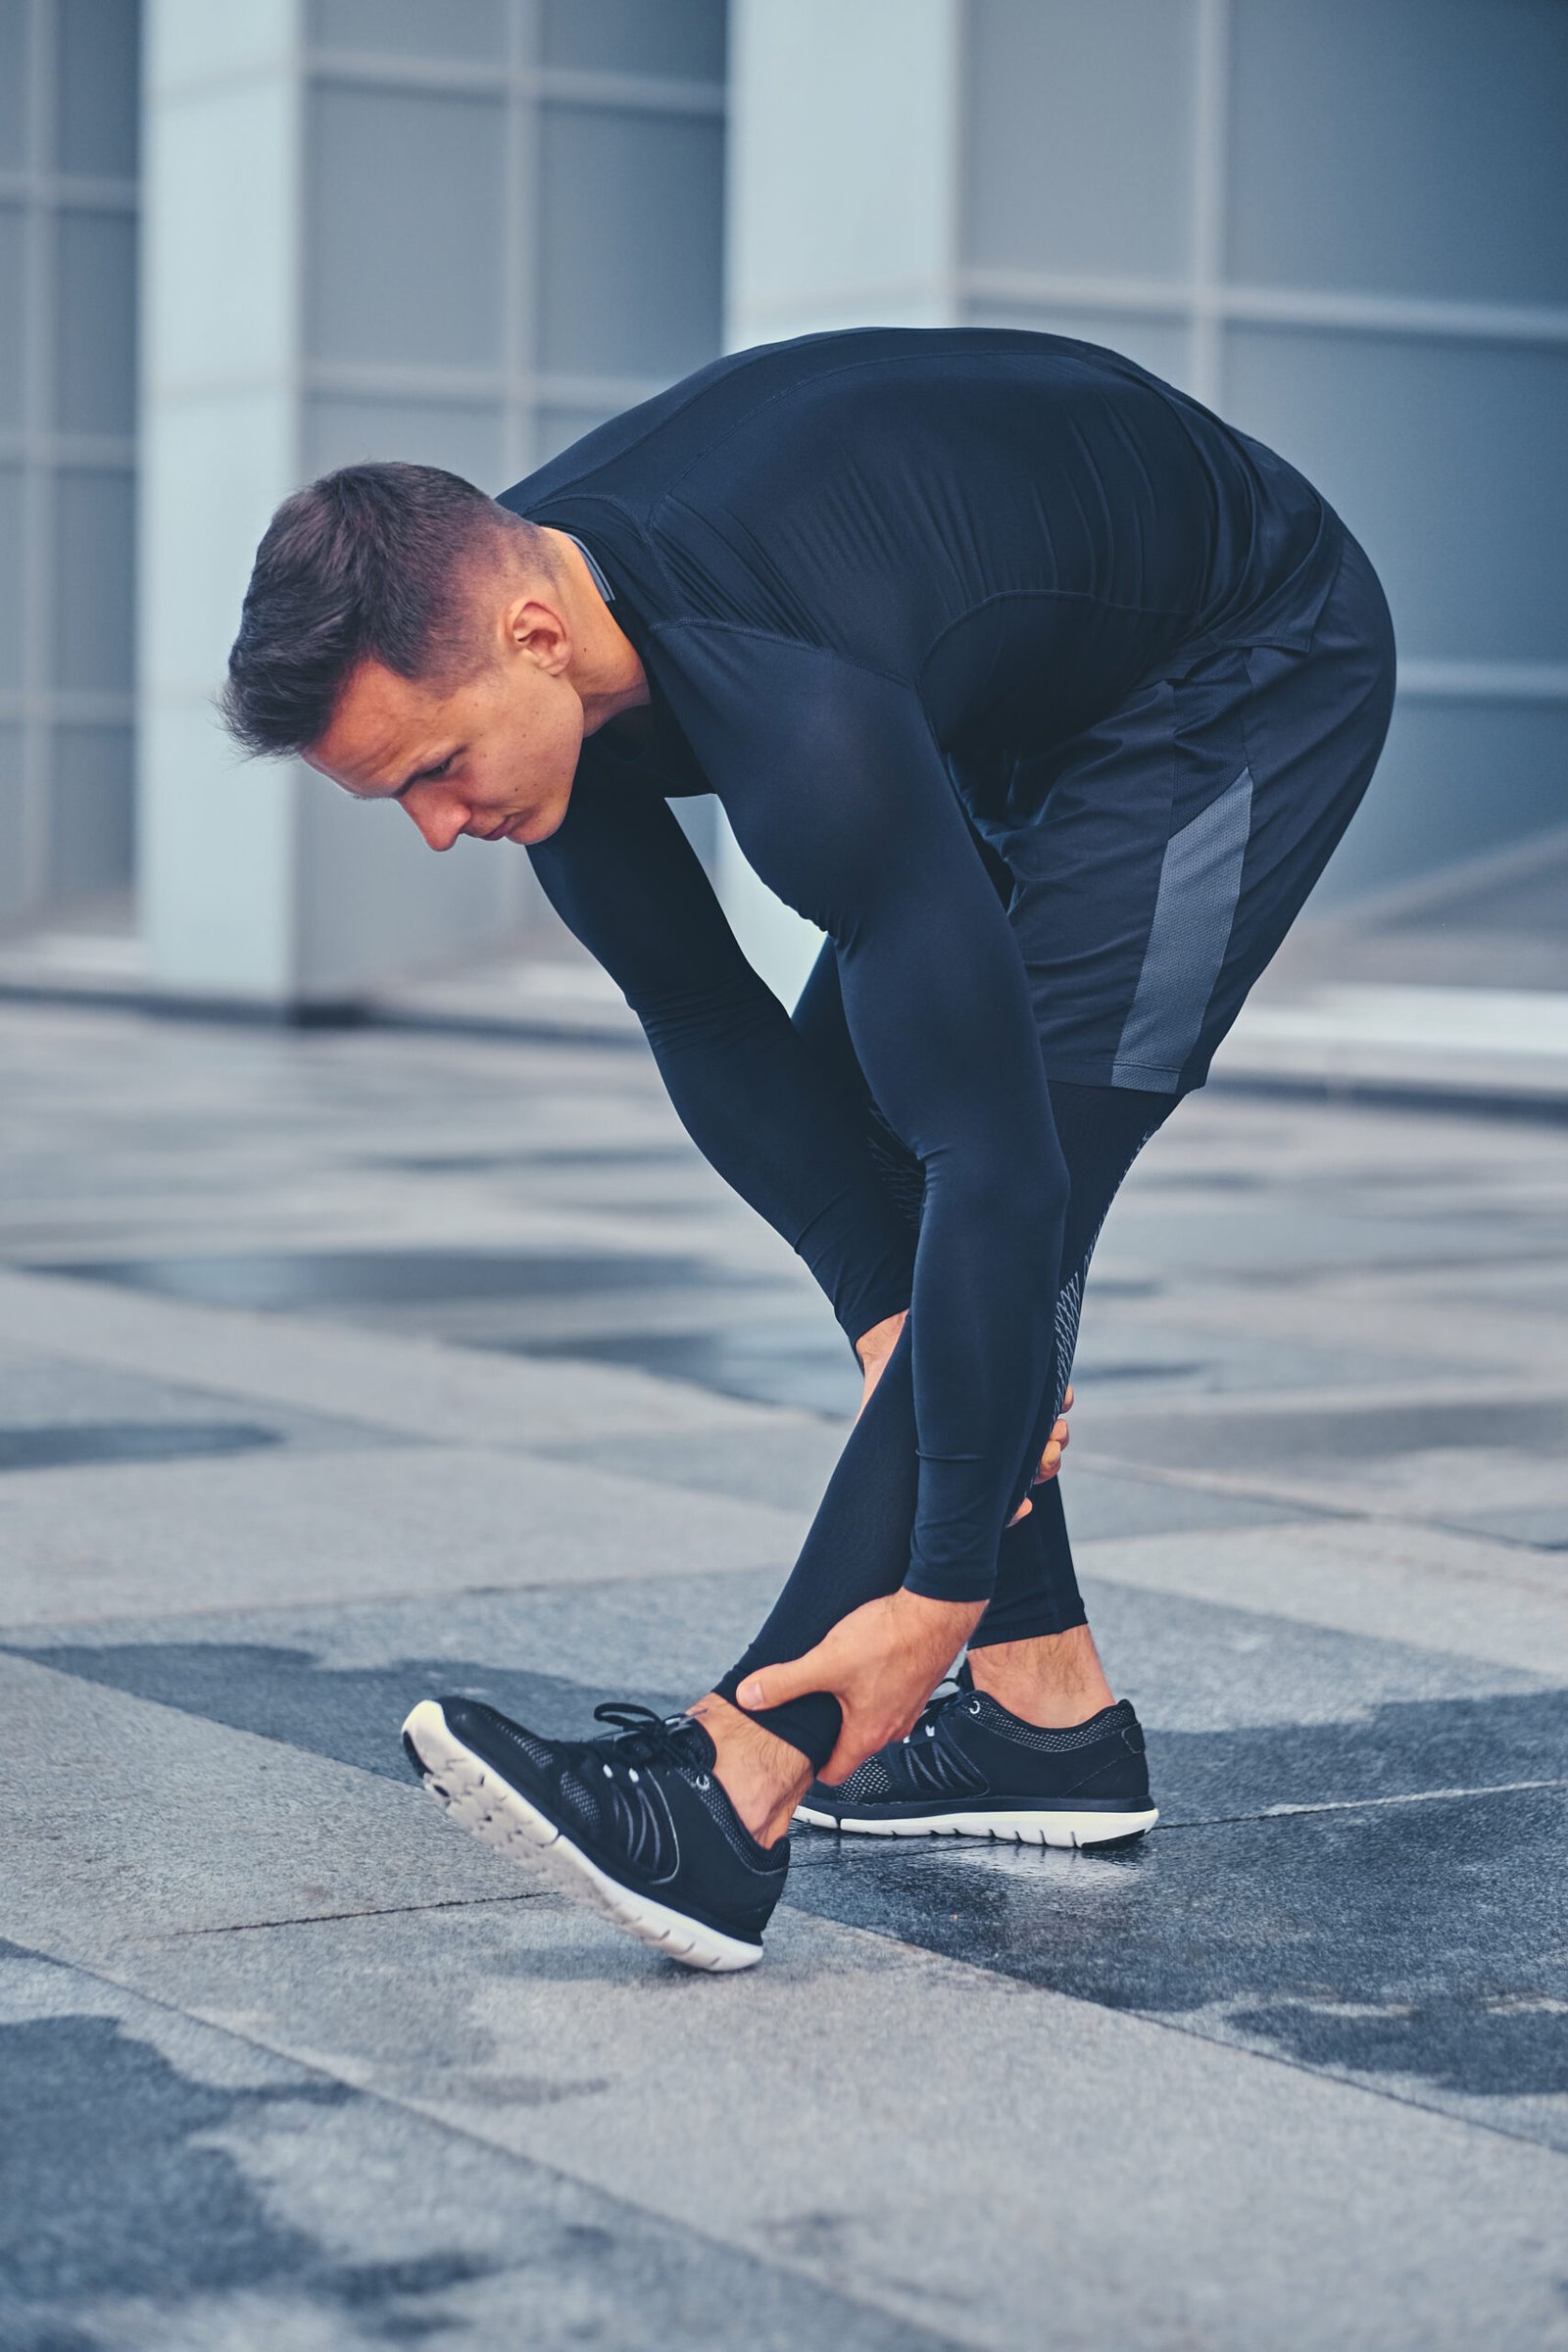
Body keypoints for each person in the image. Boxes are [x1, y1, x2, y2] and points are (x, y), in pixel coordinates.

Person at [221, 326, 1395, 1972]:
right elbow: (701, 1017)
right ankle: (1043, 1720)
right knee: (925, 1251)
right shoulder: (516, 628)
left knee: (1013, 1173)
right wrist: (885, 1311)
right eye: (392, 799)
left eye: (432, 772)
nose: (435, 828)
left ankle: (730, 1791)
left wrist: (936, 1578)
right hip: (1016, 682)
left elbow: (1002, 1172)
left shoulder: (791, 697)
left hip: (1241, 668)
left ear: (535, 637)